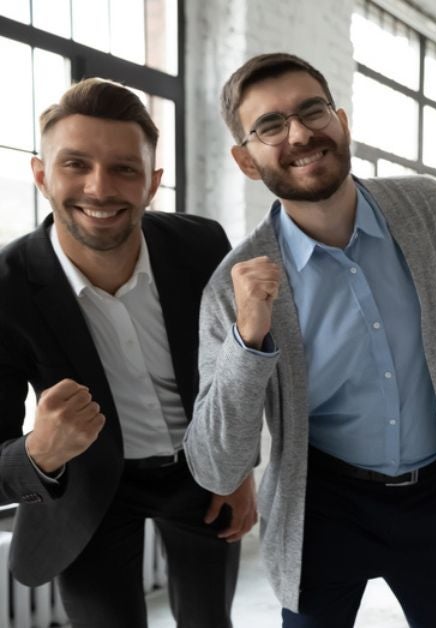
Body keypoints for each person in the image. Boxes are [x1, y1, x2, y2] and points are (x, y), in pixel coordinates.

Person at [182, 52, 436, 627]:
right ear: (245, 159)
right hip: (323, 508)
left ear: (342, 121)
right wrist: (248, 341)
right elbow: (217, 465)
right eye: (270, 126)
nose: (302, 134)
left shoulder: (433, 211)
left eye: (313, 112)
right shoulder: (235, 287)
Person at [0, 78, 252, 628]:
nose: (99, 188)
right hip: (87, 491)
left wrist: (239, 466)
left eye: (124, 168)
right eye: (75, 165)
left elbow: (235, 371)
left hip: (199, 471)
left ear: (152, 183)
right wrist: (40, 450)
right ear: (41, 175)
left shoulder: (203, 244)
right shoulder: (7, 286)